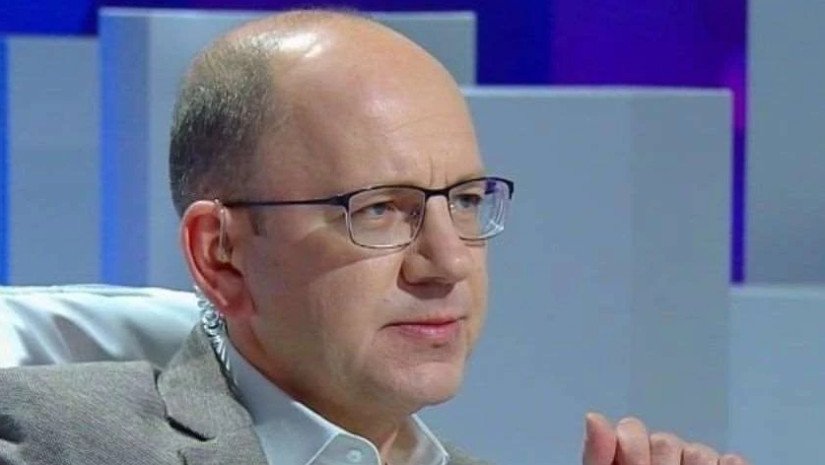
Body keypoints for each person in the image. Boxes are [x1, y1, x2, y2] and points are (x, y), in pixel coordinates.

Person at [0, 9, 748, 465]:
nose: (447, 262)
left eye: (464, 200)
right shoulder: (52, 439)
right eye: (381, 210)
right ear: (219, 255)